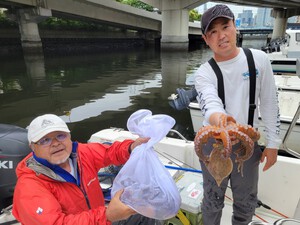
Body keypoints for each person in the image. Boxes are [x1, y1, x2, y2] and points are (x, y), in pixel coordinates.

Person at [194, 4, 281, 225]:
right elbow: (209, 102)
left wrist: (273, 143)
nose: (221, 36)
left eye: (225, 26)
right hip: (213, 145)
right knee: (212, 200)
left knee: (246, 201)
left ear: (235, 27)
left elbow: (269, 102)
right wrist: (221, 122)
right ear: (205, 39)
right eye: (213, 31)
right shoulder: (204, 72)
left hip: (247, 145)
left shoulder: (259, 59)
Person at [12, 113, 149, 225]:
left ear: (69, 136)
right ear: (33, 147)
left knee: (145, 215)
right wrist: (107, 215)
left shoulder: (81, 153)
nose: (55, 143)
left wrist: (131, 148)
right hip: (100, 219)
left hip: (99, 220)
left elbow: (109, 152)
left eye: (60, 136)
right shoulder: (29, 186)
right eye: (45, 140)